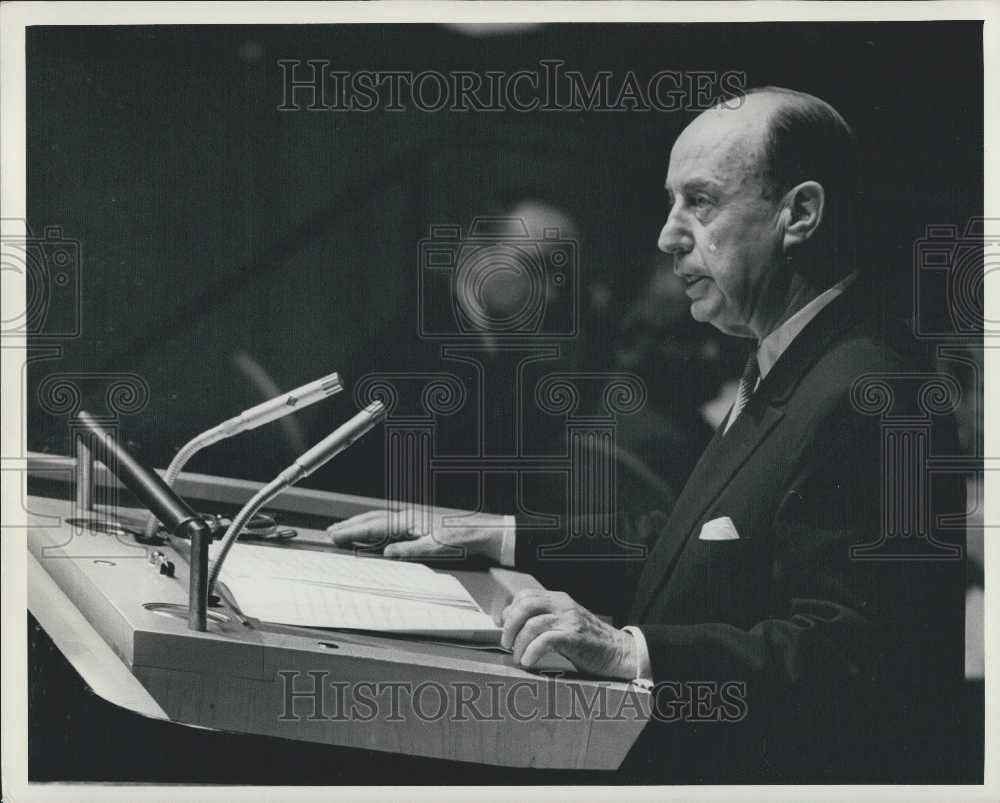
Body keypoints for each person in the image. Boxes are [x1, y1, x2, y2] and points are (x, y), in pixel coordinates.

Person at [328, 87, 966, 782]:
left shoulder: (875, 391)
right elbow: (692, 548)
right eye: (670, 203)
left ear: (800, 214)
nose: (667, 235)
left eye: (700, 200)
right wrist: (502, 534)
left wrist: (632, 650)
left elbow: (855, 658)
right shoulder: (793, 357)